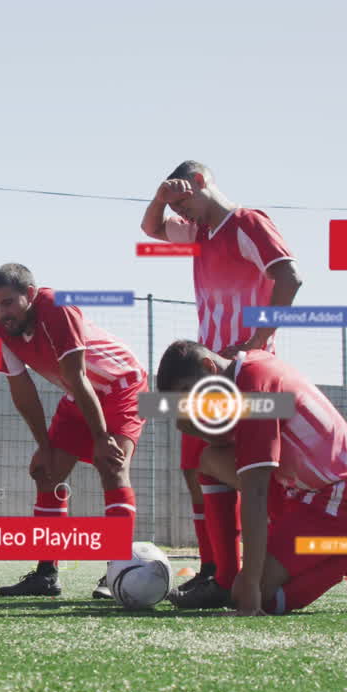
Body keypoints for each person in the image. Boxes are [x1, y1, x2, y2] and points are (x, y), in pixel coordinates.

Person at [140, 161, 303, 609]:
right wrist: (160, 199)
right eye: (177, 207)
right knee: (201, 464)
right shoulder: (200, 234)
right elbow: (151, 229)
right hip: (208, 374)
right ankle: (218, 573)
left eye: (183, 202)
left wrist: (259, 340)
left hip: (244, 372)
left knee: (253, 473)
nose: (182, 214)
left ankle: (337, 548)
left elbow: (289, 275)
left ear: (200, 183)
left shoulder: (247, 222)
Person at [155, 340, 347, 615]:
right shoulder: (244, 371)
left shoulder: (254, 388)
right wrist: (196, 427)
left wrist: (251, 586)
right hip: (300, 491)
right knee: (209, 461)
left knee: (259, 597)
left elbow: (255, 489)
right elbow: (230, 447)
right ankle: (223, 578)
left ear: (209, 367)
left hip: (339, 499)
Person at [0, 263, 146, 598]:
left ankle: (115, 572)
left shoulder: (58, 309)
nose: (1, 313)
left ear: (29, 295)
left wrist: (102, 439)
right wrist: (43, 446)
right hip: (81, 393)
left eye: (8, 303)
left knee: (112, 468)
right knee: (47, 474)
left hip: (122, 386)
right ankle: (46, 575)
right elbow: (23, 392)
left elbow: (77, 375)